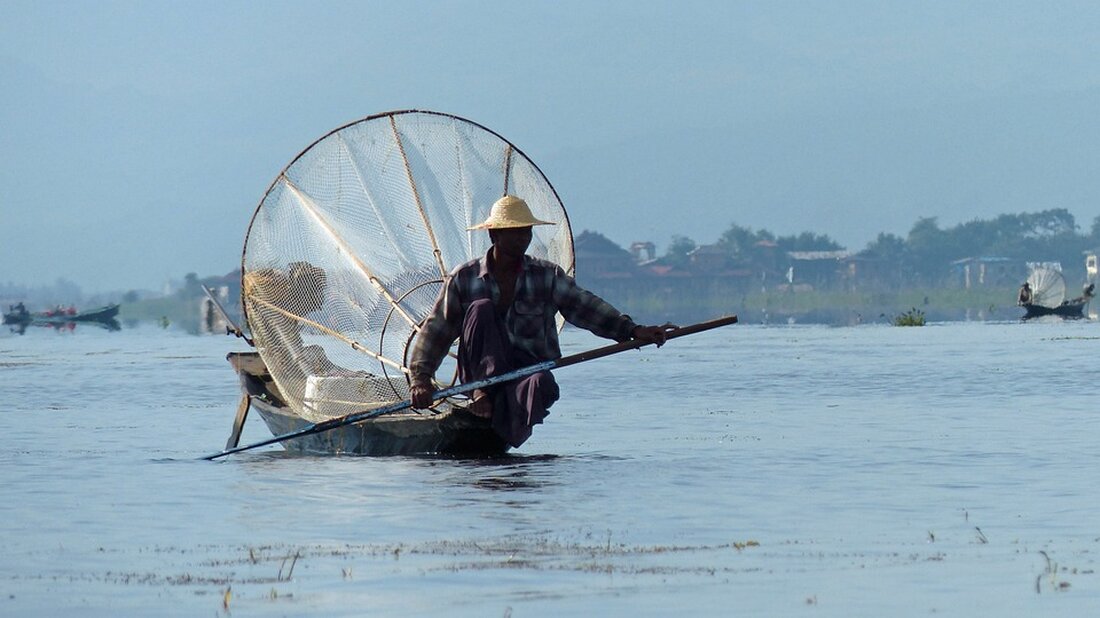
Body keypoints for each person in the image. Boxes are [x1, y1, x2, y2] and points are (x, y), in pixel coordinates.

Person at [409, 195, 672, 447]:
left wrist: (633, 330)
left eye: (526, 232)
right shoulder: (465, 277)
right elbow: (437, 330)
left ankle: (503, 422)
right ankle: (484, 396)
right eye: (514, 232)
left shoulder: (546, 275)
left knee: (543, 385)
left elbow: (586, 307)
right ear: (494, 235)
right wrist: (421, 379)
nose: (523, 238)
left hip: (527, 369)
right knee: (482, 309)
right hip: (480, 375)